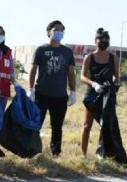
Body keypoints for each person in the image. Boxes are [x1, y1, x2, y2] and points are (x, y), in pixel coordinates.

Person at [28, 20, 76, 158]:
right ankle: (32, 151)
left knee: (57, 127)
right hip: (42, 94)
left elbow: (71, 73)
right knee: (36, 125)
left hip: (60, 96)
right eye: (56, 29)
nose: (58, 32)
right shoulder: (41, 50)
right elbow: (33, 70)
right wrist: (30, 89)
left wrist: (72, 91)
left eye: (61, 30)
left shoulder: (67, 52)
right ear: (48, 32)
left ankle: (56, 153)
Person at [79, 28, 119, 157]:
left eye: (106, 39)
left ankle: (103, 154)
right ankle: (83, 155)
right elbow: (83, 76)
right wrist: (94, 84)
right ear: (95, 41)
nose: (103, 41)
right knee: (86, 125)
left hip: (107, 94)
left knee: (106, 125)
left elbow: (117, 76)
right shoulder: (89, 57)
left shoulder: (114, 58)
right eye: (100, 39)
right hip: (92, 93)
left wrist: (115, 84)